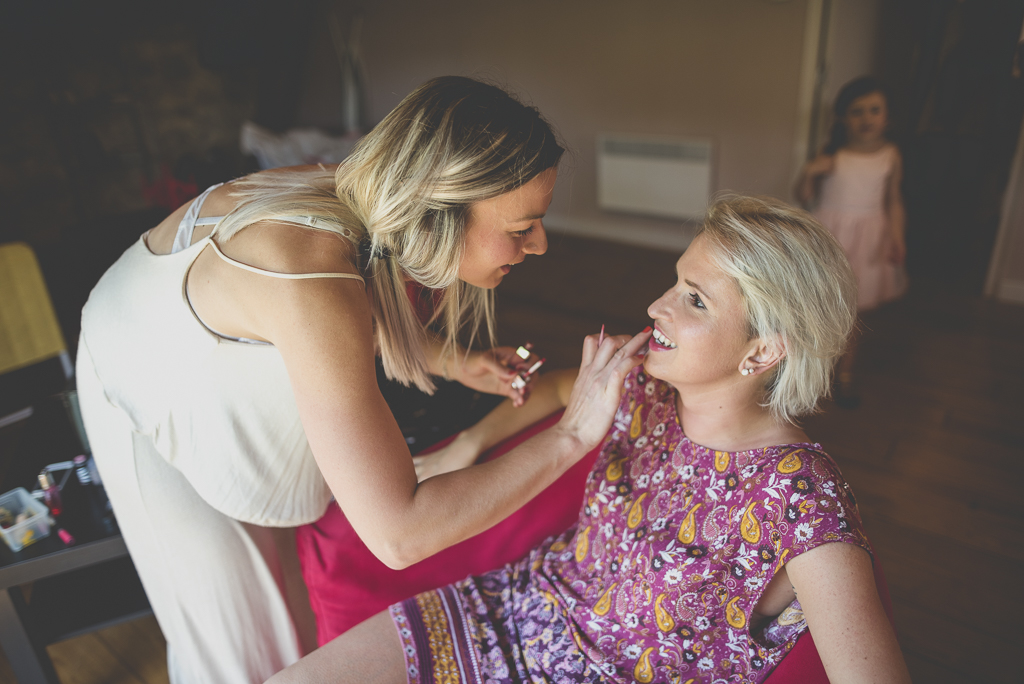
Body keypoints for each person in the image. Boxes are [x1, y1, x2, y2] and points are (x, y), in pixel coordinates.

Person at [75, 76, 647, 683]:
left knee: (294, 622)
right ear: (440, 208)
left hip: (217, 358)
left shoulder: (371, 204)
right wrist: (574, 434)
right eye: (521, 226)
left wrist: (450, 360)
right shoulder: (312, 277)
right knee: (235, 645)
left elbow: (356, 309)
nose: (539, 245)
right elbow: (399, 535)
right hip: (146, 378)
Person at [269, 196, 912, 684]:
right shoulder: (644, 387)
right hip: (510, 609)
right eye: (674, 282)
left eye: (694, 301)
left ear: (764, 350)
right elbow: (554, 393)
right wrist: (468, 447)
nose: (658, 306)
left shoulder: (800, 495)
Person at [795, 76, 908, 407]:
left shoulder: (890, 155)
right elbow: (804, 199)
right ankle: (806, 371)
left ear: (887, 117)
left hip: (869, 240)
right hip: (830, 238)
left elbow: (894, 200)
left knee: (853, 313)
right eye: (857, 111)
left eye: (874, 110)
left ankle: (845, 374)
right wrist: (810, 172)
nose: (867, 118)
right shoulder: (833, 154)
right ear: (844, 118)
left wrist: (897, 236)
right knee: (818, 304)